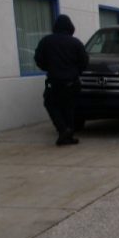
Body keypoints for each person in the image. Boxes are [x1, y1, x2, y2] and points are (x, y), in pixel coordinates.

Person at [34, 14, 89, 146]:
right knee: (69, 108)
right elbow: (84, 61)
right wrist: (76, 72)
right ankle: (67, 133)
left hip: (54, 81)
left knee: (51, 104)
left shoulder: (46, 41)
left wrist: (49, 68)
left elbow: (38, 59)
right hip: (72, 82)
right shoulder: (75, 43)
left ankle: (63, 131)